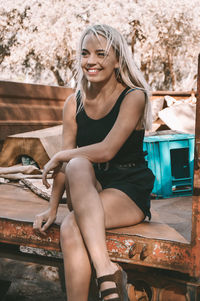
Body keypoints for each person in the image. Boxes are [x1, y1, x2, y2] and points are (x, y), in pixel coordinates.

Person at [33, 24, 155, 301]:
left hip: (127, 188)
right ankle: (107, 272)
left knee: (71, 226)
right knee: (76, 165)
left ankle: (103, 273)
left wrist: (61, 155)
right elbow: (68, 164)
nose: (91, 61)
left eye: (101, 54)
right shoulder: (72, 102)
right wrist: (52, 208)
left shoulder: (134, 96)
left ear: (117, 60)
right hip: (87, 186)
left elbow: (107, 150)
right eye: (85, 54)